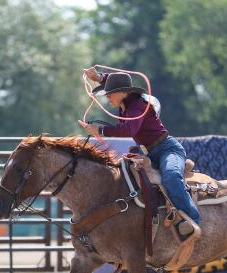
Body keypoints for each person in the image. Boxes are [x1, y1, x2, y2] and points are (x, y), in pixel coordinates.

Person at [78, 68, 201, 241]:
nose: (107, 96)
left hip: (168, 149)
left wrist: (100, 129)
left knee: (172, 177)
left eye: (110, 93)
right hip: (150, 153)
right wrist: (98, 78)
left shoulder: (137, 105)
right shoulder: (125, 103)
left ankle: (194, 222)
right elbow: (118, 84)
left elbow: (129, 129)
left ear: (122, 93)